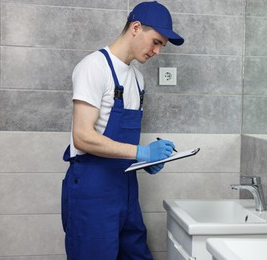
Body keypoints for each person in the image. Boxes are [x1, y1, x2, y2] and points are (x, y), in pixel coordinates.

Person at [61, 1, 184, 259]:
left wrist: (144, 160)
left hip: (126, 189)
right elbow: (82, 137)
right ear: (136, 28)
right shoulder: (94, 67)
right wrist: (141, 151)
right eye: (156, 42)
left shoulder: (138, 80)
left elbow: (123, 146)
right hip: (92, 190)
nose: (157, 51)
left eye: (161, 45)